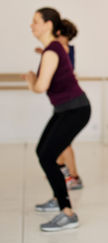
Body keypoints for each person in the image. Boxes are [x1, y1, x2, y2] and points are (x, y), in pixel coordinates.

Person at [24, 7, 91, 232]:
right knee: (43, 152)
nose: (31, 26)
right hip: (65, 110)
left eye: (35, 21)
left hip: (76, 110)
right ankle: (58, 197)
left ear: (48, 25)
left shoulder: (52, 51)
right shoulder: (50, 50)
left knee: (46, 156)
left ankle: (67, 212)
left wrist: (31, 80)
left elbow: (41, 87)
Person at [35, 18, 83, 190]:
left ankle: (74, 176)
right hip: (64, 103)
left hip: (70, 103)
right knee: (60, 143)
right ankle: (61, 171)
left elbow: (61, 70)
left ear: (59, 33)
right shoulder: (65, 49)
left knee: (64, 143)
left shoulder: (60, 48)